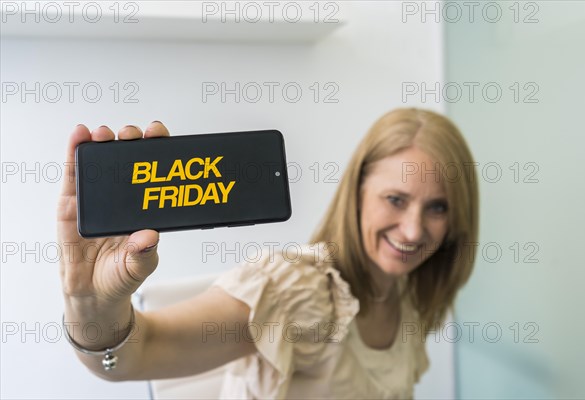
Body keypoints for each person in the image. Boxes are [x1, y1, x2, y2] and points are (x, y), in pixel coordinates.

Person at [57, 108, 479, 399]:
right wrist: (89, 303)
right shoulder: (295, 288)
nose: (413, 230)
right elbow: (137, 355)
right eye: (396, 199)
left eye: (437, 207)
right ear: (358, 192)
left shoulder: (408, 296)